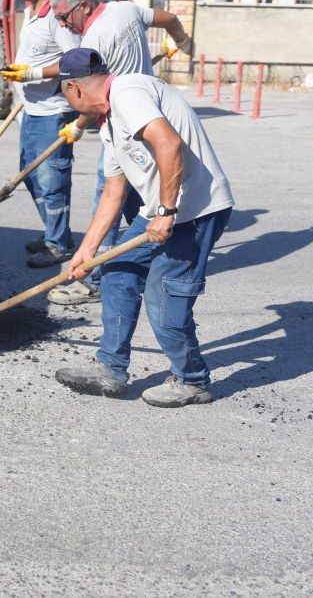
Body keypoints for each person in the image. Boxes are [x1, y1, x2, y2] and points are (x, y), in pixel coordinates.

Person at [49, 47, 234, 408]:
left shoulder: (128, 93)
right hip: (158, 212)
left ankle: (193, 380)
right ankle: (111, 368)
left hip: (195, 211)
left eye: (65, 97)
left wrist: (166, 210)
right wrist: (87, 251)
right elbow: (113, 194)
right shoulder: (108, 125)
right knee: (117, 271)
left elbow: (168, 142)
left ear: (74, 89)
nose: (69, 106)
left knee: (164, 295)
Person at [12, 0, 192, 303]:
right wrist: (180, 41)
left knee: (107, 198)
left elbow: (94, 95)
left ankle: (94, 280)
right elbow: (169, 19)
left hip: (123, 126)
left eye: (65, 16)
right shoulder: (126, 9)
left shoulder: (93, 39)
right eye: (57, 19)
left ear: (84, 6)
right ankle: (163, 259)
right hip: (149, 117)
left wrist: (78, 124)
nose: (63, 23)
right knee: (141, 198)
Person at [0, 0, 80, 268]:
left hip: (54, 112)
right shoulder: (31, 13)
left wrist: (32, 74)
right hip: (31, 108)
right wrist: (20, 73)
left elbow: (75, 60)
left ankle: (58, 246)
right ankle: (54, 233)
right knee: (31, 178)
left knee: (52, 180)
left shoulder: (57, 18)